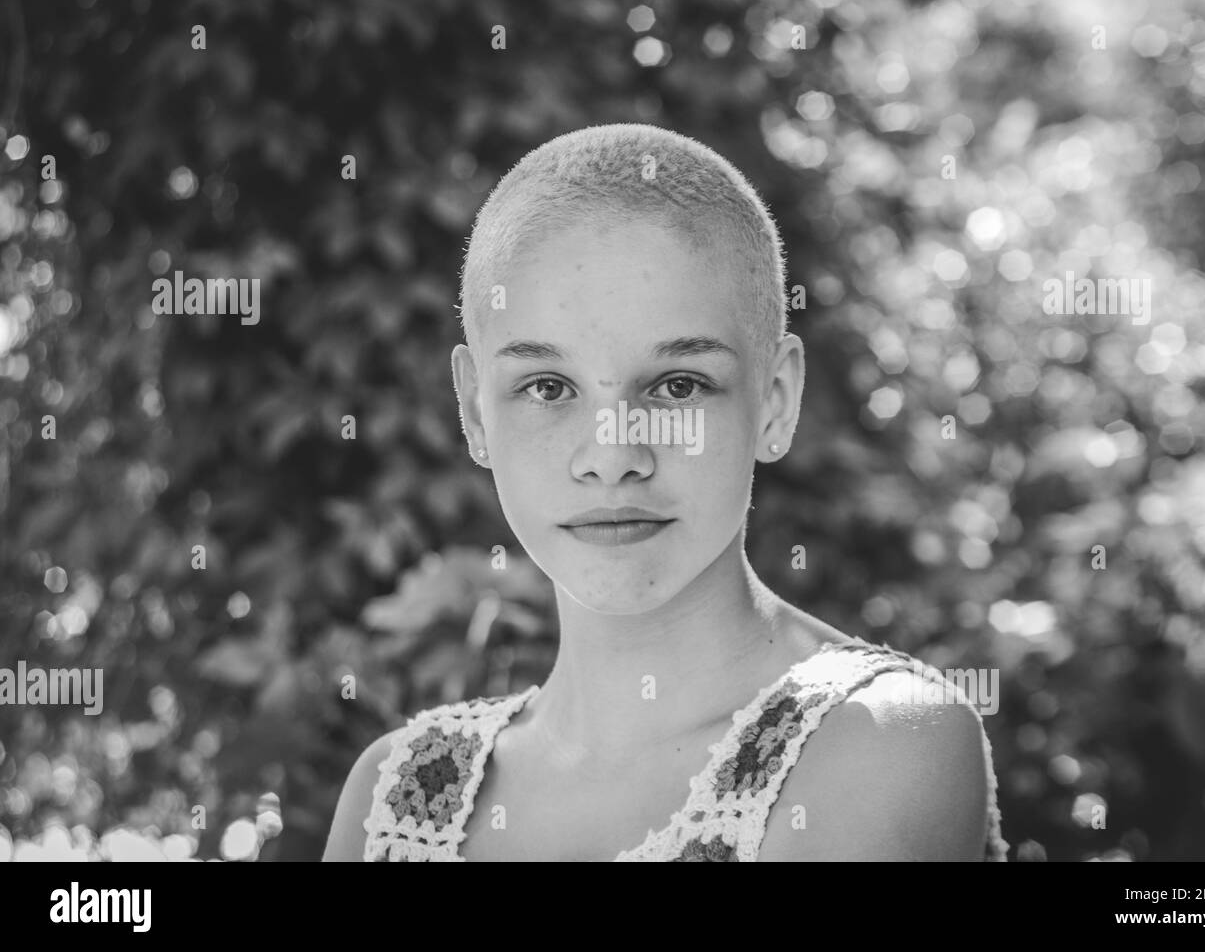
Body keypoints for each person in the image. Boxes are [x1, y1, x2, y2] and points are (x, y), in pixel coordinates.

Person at [323, 123, 1009, 861]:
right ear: (473, 411)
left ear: (775, 400)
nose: (612, 455)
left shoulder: (884, 741)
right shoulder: (394, 799)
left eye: (678, 385)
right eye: (548, 387)